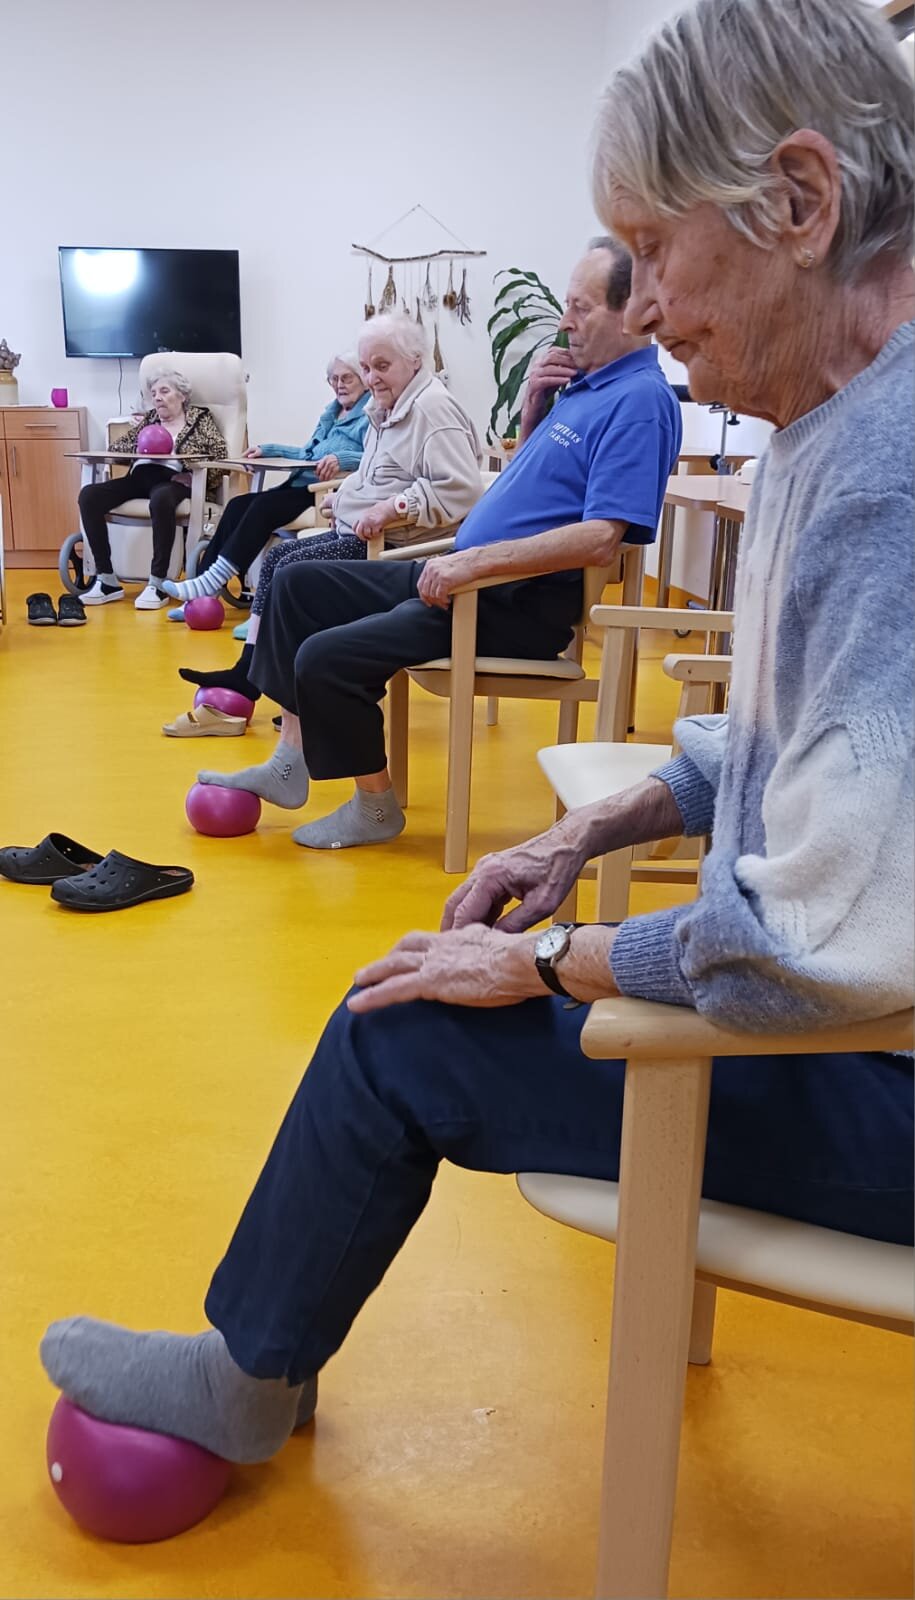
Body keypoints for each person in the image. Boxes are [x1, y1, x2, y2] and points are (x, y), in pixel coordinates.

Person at [41, 0, 912, 1481]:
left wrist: (554, 960)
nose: (643, 304)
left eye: (653, 251)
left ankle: (246, 1377)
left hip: (876, 1085)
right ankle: (261, 1358)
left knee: (402, 1025)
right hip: (838, 1030)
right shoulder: (830, 431)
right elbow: (777, 738)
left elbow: (810, 946)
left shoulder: (886, 483)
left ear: (799, 202)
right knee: (419, 962)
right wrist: (592, 825)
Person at [191, 240, 682, 848]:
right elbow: (534, 489)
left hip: (507, 602)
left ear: (636, 311)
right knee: (294, 584)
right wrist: (533, 408)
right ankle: (289, 763)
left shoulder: (640, 402)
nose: (564, 322)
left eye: (581, 308)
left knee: (324, 657)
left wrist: (469, 562)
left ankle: (376, 808)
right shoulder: (586, 387)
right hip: (466, 576)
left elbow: (600, 538)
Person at [175, 312, 485, 711]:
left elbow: (460, 488)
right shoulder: (389, 407)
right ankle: (249, 672)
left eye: (382, 366)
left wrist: (392, 507)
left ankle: (289, 696)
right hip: (365, 535)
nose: (372, 378)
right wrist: (341, 499)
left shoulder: (431, 409)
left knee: (293, 574)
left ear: (415, 360)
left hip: (397, 549)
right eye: (367, 367)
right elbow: (372, 474)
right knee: (278, 559)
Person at [163, 353, 370, 606]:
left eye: (347, 378)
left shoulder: (369, 414)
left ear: (363, 379)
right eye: (334, 379)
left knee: (262, 507)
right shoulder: (332, 413)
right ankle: (202, 591)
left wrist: (343, 459)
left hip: (324, 492)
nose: (339, 385)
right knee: (237, 505)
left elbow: (377, 456)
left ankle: (208, 585)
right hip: (300, 486)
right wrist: (267, 449)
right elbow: (307, 455)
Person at [78, 370, 228, 611]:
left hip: (173, 480)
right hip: (139, 477)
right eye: (154, 393)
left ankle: (158, 583)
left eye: (164, 391)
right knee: (89, 496)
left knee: (161, 498)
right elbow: (117, 448)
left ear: (182, 396)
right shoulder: (149, 420)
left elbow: (220, 455)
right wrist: (138, 438)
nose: (157, 397)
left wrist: (193, 476)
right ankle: (106, 580)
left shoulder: (199, 420)